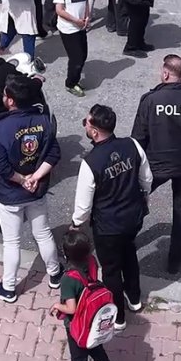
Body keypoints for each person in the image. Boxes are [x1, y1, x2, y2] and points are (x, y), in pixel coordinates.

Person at [70, 104, 152, 329]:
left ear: (94, 131)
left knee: (111, 269)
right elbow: (146, 178)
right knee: (129, 255)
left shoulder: (91, 162)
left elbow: (84, 206)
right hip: (133, 218)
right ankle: (134, 299)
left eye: (86, 122)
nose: (85, 124)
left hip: (108, 226)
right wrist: (143, 198)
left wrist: (76, 225)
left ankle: (118, 318)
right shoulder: (132, 145)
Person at [131, 54, 181, 273]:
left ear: (166, 73)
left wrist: (139, 167)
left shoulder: (150, 100)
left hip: (155, 165)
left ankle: (128, 239)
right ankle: (174, 260)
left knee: (136, 199)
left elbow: (137, 139)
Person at [0, 74, 62, 302]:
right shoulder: (45, 122)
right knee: (43, 233)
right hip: (37, 190)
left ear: (10, 100)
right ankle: (55, 274)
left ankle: (9, 288)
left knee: (12, 242)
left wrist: (22, 180)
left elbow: (0, 167)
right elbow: (54, 153)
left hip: (11, 195)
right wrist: (35, 177)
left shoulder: (1, 130)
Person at [53, 229, 124, 361]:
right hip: (94, 318)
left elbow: (71, 308)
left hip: (77, 324)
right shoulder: (92, 261)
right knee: (97, 351)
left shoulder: (69, 279)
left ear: (66, 254)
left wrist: (56, 306)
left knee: (79, 359)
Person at [55, 0, 91, 96]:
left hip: (81, 27)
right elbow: (59, 10)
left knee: (83, 55)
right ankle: (70, 83)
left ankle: (75, 79)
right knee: (76, 58)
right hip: (68, 29)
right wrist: (76, 20)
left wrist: (87, 17)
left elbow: (86, 2)